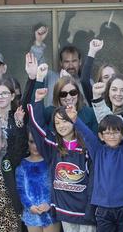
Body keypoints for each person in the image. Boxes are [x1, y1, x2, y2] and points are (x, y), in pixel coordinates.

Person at [28, 88, 95, 231]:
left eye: (65, 121)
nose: (61, 126)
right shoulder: (54, 147)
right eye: (57, 123)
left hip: (85, 212)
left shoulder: (87, 147)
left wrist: (91, 208)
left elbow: (93, 182)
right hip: (65, 212)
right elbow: (37, 129)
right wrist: (38, 101)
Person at [74, 107, 123, 232]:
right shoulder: (97, 151)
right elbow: (87, 134)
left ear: (122, 135)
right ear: (101, 136)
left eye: (116, 132)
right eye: (107, 133)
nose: (111, 136)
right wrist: (75, 119)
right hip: (102, 207)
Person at [16, 132, 58, 232]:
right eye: (32, 142)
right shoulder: (22, 165)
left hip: (51, 213)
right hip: (31, 213)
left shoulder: (52, 162)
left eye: (39, 142)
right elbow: (20, 190)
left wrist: (50, 203)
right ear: (27, 143)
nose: (35, 146)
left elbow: (57, 187)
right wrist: (30, 206)